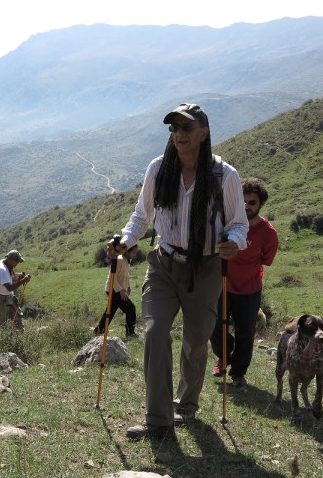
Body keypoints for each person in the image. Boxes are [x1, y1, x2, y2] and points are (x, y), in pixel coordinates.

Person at [106, 102, 248, 440]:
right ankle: (158, 419)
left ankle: (186, 407)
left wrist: (233, 241)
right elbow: (141, 217)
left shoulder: (224, 175)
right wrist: (125, 241)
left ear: (203, 133)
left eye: (186, 128)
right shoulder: (158, 169)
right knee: (155, 333)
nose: (179, 134)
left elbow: (239, 223)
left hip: (207, 266)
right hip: (164, 263)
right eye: (173, 128)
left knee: (196, 343)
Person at [210, 177, 279, 387]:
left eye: (252, 203)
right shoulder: (225, 223)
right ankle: (224, 356)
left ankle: (238, 372)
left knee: (245, 332)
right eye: (243, 202)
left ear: (261, 204)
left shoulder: (268, 233)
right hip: (221, 285)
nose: (247, 206)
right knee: (214, 326)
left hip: (249, 290)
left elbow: (267, 260)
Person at [94, 244, 139, 338]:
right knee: (130, 308)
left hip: (117, 289)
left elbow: (125, 275)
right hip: (113, 289)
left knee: (110, 311)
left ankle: (99, 330)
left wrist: (128, 286)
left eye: (136, 252)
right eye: (133, 252)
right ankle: (130, 333)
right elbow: (112, 277)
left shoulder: (126, 260)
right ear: (127, 251)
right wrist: (121, 291)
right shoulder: (119, 260)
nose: (135, 254)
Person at [0, 249, 31, 331]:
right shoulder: (2, 270)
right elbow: (9, 287)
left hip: (8, 296)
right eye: (17, 261)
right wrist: (23, 280)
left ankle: (19, 334)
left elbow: (10, 273)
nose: (17, 263)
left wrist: (19, 275)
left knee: (17, 316)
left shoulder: (5, 262)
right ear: (11, 260)